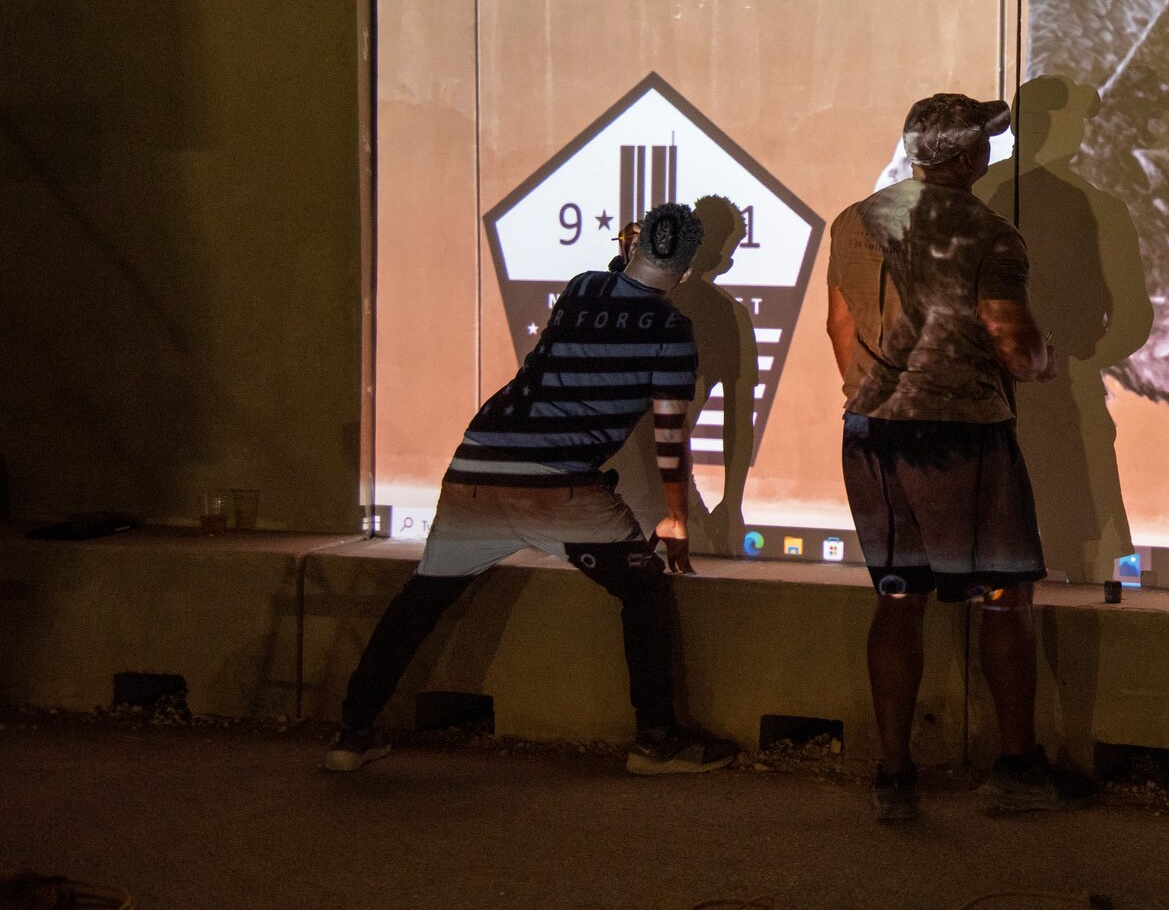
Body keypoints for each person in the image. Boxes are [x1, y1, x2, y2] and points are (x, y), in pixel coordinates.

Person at [324, 203, 735, 775]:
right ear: (689, 270)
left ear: (633, 245)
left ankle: (352, 731)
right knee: (643, 591)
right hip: (562, 485)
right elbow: (669, 433)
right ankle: (656, 739)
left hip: (478, 463)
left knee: (422, 599)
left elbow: (608, 297)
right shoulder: (672, 330)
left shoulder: (583, 286)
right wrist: (675, 514)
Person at [825, 92, 1092, 822]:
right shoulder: (989, 233)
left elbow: (838, 326)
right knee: (1004, 597)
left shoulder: (853, 220)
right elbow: (1012, 340)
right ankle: (1016, 765)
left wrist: (877, 395)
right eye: (987, 142)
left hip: (871, 434)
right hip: (962, 435)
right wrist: (1044, 360)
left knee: (897, 595)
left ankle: (895, 775)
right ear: (970, 156)